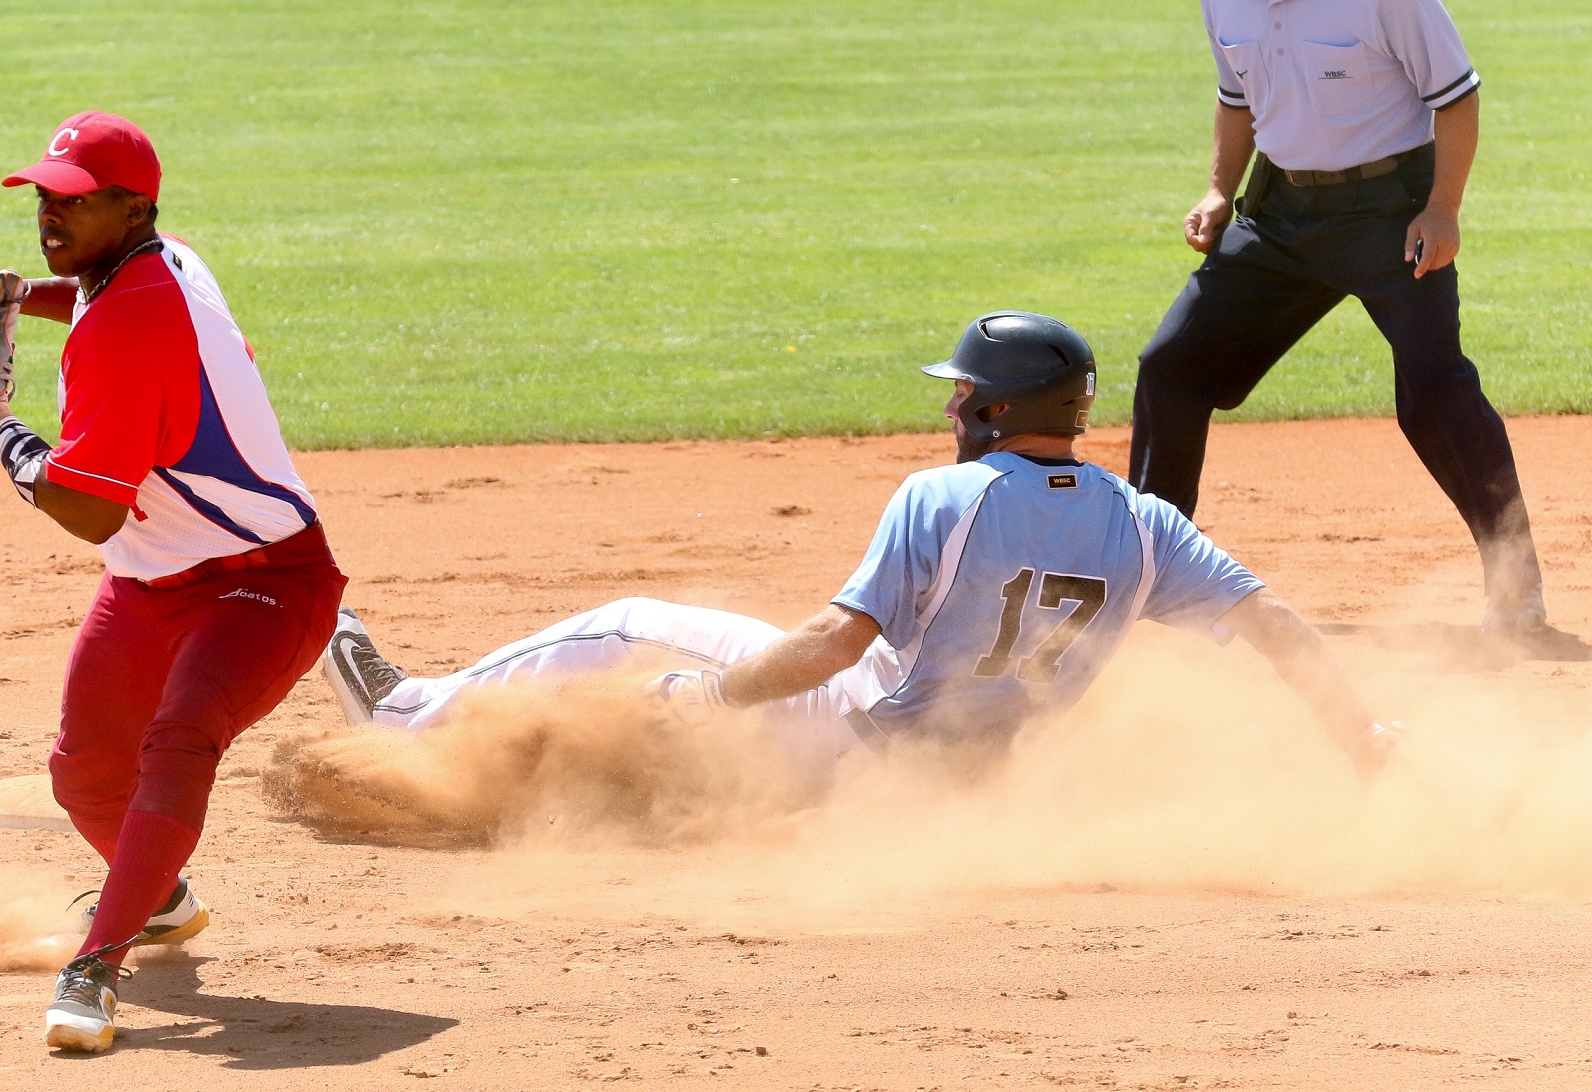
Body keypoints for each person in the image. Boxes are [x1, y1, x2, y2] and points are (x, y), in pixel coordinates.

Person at [317, 312, 1398, 801]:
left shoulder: (947, 493)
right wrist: (1358, 734)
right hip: (970, 792)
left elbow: (835, 644)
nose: (949, 402)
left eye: (960, 390)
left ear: (989, 408)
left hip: (850, 754)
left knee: (625, 624)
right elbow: (1274, 626)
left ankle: (403, 709)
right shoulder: (1148, 523)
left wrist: (711, 694)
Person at [1130, 0, 1553, 645]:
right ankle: (1149, 578)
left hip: (1389, 215)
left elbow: (1456, 97)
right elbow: (1236, 98)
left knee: (1434, 394)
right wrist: (1220, 191)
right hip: (1279, 213)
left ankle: (1517, 592)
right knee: (1171, 368)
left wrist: (1444, 208)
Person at [0, 112, 347, 1051]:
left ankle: (95, 964)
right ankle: (163, 899)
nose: (51, 213)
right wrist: (22, 296)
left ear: (134, 205)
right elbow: (96, 297)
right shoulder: (166, 259)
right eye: (45, 197)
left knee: (180, 741)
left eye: (75, 199)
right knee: (86, 775)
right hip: (150, 583)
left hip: (263, 582)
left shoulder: (132, 323)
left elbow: (89, 510)